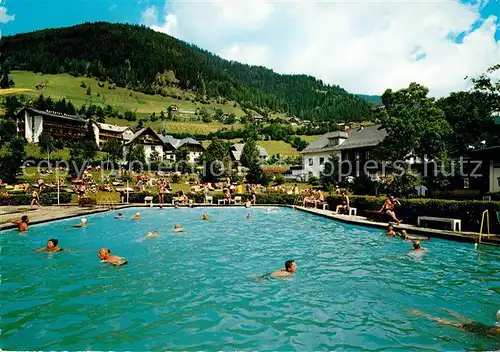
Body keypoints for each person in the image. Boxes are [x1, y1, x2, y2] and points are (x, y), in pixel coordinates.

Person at [410, 308, 500, 338]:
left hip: (482, 326)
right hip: (478, 330)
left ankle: (449, 311)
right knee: (446, 323)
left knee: (462, 319)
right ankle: (423, 315)